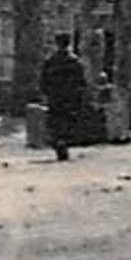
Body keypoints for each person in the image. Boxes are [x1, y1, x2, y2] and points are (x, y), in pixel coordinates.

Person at [39, 32, 88, 162]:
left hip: (55, 98)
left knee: (56, 122)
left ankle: (59, 143)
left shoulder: (50, 61)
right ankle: (64, 143)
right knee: (68, 122)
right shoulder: (75, 62)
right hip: (69, 98)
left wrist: (47, 93)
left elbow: (43, 81)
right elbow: (81, 82)